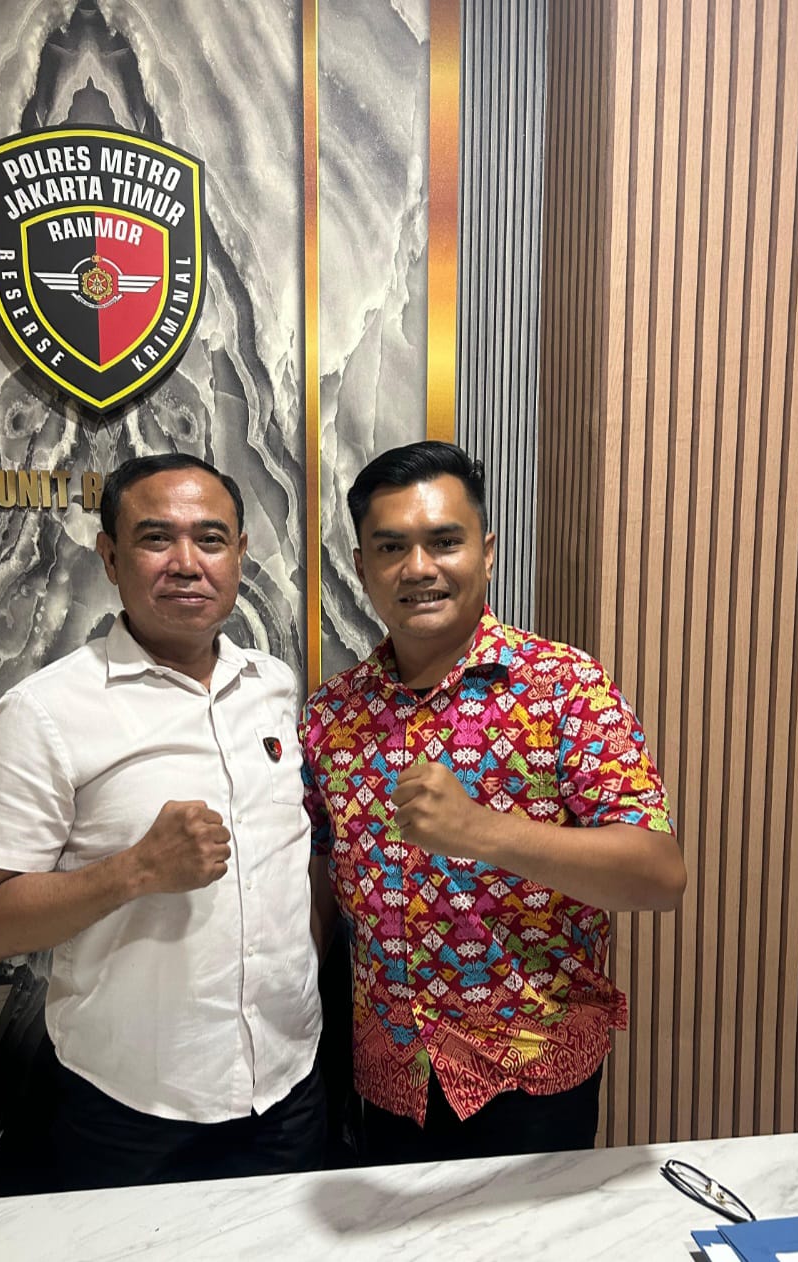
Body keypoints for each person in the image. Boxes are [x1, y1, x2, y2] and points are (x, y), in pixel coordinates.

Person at [301, 441, 685, 1164]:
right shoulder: (331, 715)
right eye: (391, 547)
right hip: (390, 1076)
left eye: (444, 541)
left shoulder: (564, 687)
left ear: (487, 552)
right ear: (361, 567)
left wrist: (481, 831)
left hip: (532, 1077)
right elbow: (321, 881)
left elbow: (658, 876)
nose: (419, 568)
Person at [0, 453, 323, 1190]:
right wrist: (134, 871)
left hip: (290, 1084)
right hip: (128, 1108)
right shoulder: (45, 712)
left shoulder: (276, 687)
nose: (186, 563)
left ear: (240, 554)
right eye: (157, 538)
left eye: (211, 539)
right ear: (110, 557)